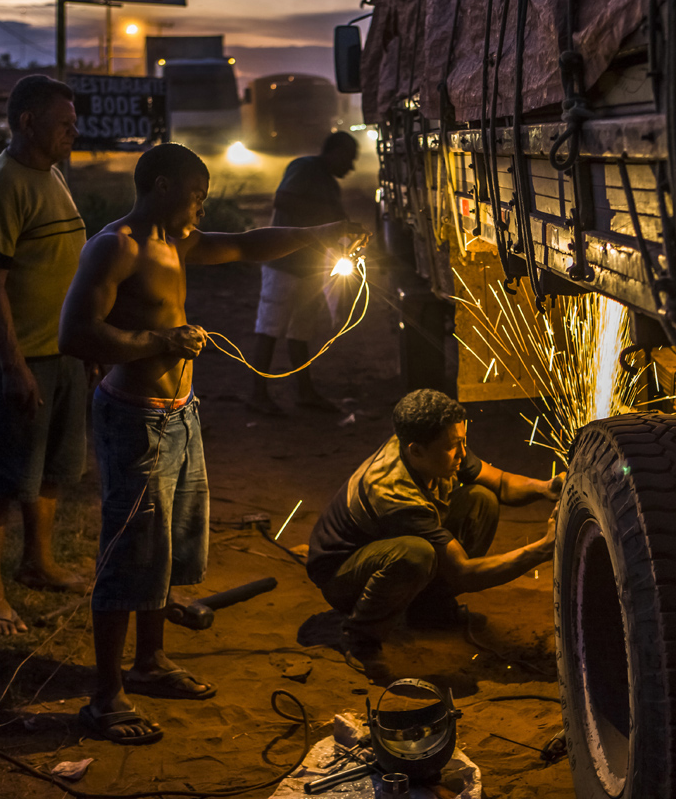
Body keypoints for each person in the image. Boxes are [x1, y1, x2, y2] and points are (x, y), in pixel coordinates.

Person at [58, 142, 368, 745]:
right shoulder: (116, 246)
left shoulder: (176, 243)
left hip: (179, 415)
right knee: (128, 555)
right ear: (167, 185)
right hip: (135, 419)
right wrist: (160, 342)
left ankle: (148, 664)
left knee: (163, 549)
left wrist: (321, 232)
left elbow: (249, 243)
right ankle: (104, 697)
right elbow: (76, 334)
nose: (202, 208)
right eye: (197, 196)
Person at [305, 389, 563, 675]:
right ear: (416, 450)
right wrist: (542, 549)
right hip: (341, 576)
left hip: (380, 548)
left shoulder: (432, 446)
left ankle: (428, 608)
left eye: (463, 442)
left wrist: (545, 487)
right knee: (416, 555)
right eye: (454, 447)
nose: (463, 454)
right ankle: (360, 636)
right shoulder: (394, 495)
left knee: (482, 499)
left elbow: (500, 484)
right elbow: (464, 572)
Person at [0, 74, 89, 636]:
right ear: (26, 122)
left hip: (63, 353)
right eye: (63, 122)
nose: (73, 129)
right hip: (18, 358)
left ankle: (37, 563)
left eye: (73, 121)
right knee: (0, 478)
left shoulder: (52, 175)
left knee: (55, 471)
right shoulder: (1, 185)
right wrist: (13, 366)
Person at [247, 131, 359, 416]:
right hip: (283, 264)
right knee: (269, 329)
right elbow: (282, 200)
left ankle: (304, 393)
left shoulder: (329, 183)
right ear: (333, 152)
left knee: (300, 332)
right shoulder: (305, 167)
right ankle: (257, 395)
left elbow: (339, 222)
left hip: (309, 267)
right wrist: (326, 221)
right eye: (348, 158)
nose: (351, 167)